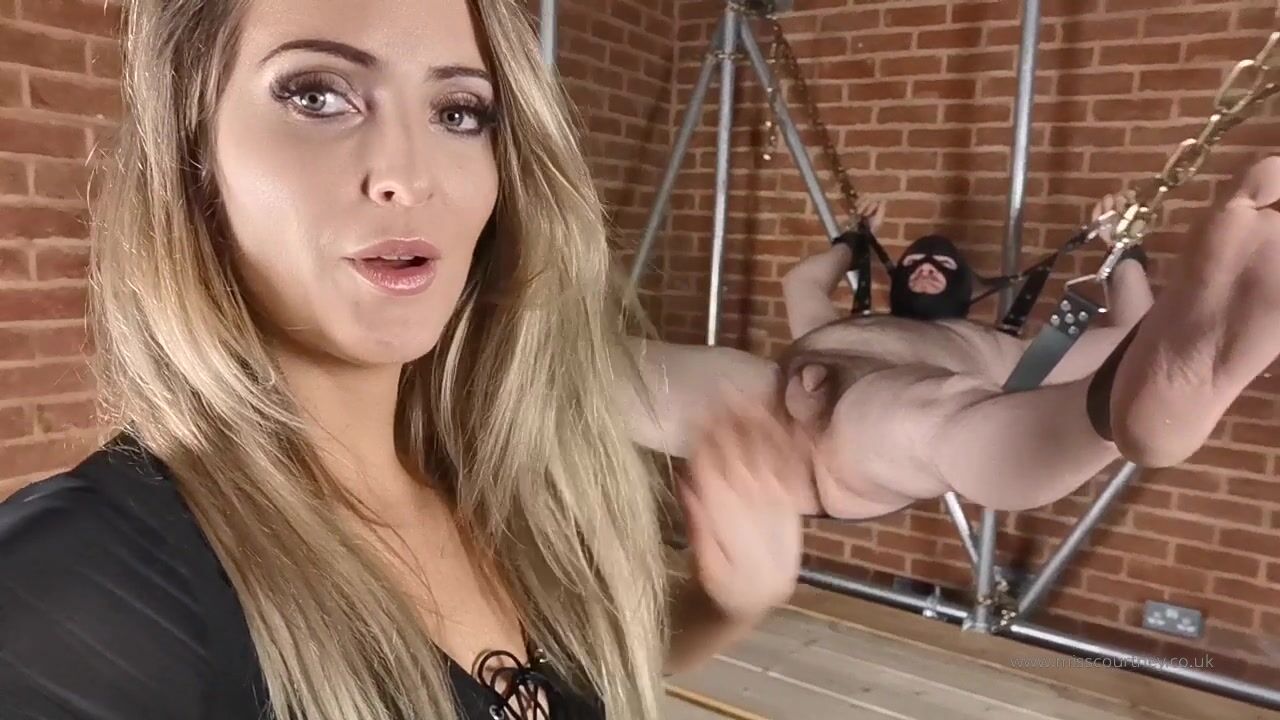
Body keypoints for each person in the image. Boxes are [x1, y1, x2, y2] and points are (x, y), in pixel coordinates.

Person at [0, 2, 806, 719]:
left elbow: (558, 683)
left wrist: (722, 604)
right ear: (191, 149)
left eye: (458, 112)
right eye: (316, 96)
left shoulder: (500, 479)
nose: (409, 178)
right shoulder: (81, 583)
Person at [772, 167, 1280, 520]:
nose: (926, 268)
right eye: (915, 263)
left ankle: (1115, 413)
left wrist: (1123, 251)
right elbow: (801, 282)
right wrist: (855, 240)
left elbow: (1132, 334)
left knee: (935, 413)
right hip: (766, 413)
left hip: (867, 441)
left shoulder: (1008, 352)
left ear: (969, 288)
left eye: (943, 265)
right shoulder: (851, 324)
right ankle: (1128, 407)